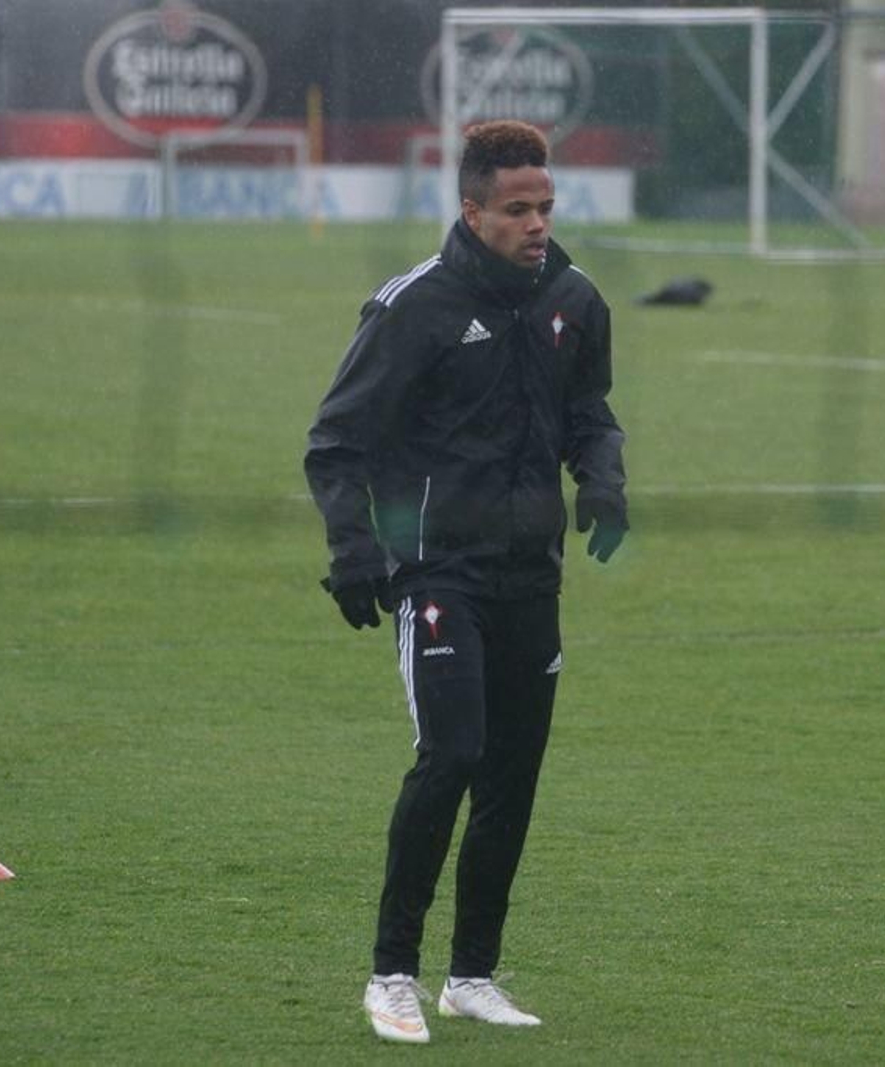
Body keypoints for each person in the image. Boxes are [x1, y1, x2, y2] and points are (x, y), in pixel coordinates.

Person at [304, 119, 628, 1043]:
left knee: (512, 777)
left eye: (546, 206)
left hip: (532, 575)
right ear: (472, 208)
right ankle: (391, 974)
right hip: (438, 570)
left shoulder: (572, 297)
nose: (536, 224)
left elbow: (589, 414)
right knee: (450, 755)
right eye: (517, 209)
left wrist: (602, 480)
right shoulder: (416, 306)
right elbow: (335, 442)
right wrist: (355, 549)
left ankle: (473, 974)